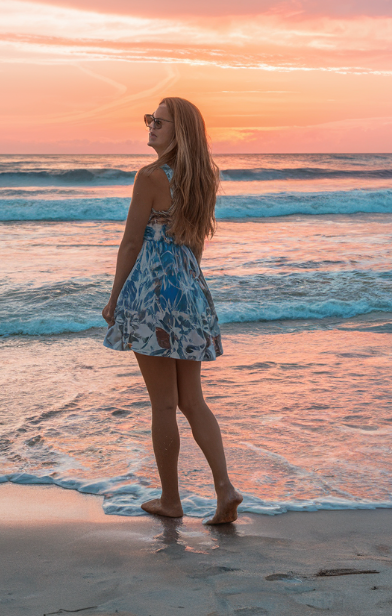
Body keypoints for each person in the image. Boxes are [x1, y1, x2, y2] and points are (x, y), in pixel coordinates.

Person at [102, 97, 243, 524]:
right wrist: (190, 290)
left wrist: (114, 298)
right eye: (149, 119)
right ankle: (224, 489)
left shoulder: (148, 177)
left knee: (163, 405)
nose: (150, 126)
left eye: (157, 121)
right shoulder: (201, 178)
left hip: (153, 291)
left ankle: (171, 500)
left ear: (177, 130)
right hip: (190, 288)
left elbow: (131, 243)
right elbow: (196, 243)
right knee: (192, 401)